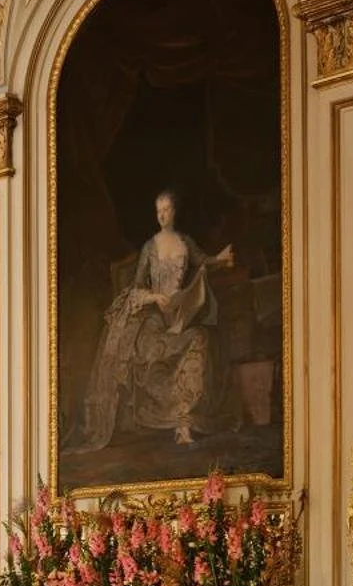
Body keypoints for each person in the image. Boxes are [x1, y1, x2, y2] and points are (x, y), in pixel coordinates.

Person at [71, 189, 234, 451]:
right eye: (158, 210)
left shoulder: (185, 242)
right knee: (154, 347)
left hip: (180, 315)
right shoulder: (150, 247)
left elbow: (203, 261)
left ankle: (184, 421)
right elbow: (137, 286)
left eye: (166, 209)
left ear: (175, 212)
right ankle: (165, 417)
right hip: (154, 318)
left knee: (199, 340)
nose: (162, 215)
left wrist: (220, 259)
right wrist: (156, 297)